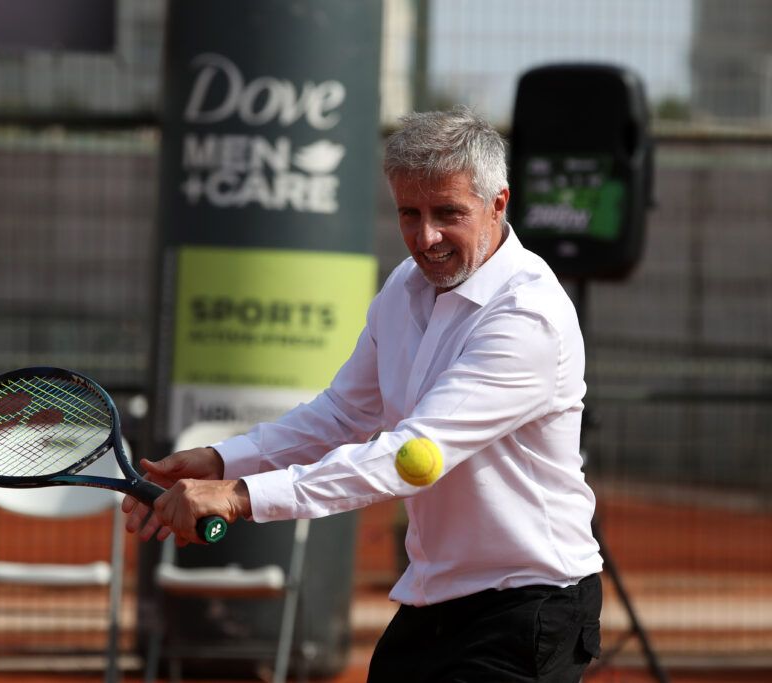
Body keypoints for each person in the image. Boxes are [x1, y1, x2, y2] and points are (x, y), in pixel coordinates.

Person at [123, 105, 603, 682]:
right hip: (435, 601)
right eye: (409, 213)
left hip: (530, 607)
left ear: (498, 203)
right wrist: (221, 459)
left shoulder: (527, 318)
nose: (426, 238)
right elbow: (342, 413)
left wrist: (239, 495)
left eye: (448, 213)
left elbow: (407, 457)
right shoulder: (405, 286)